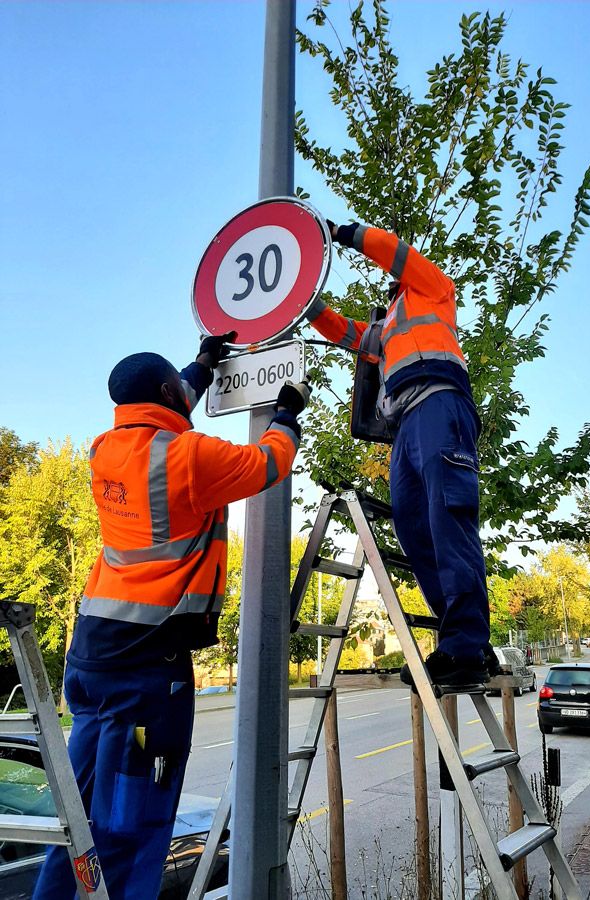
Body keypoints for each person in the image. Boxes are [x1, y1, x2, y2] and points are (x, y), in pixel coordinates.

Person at [33, 335, 310, 900]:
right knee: (128, 829)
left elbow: (170, 398)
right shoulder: (189, 456)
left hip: (90, 657)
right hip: (146, 668)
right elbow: (268, 462)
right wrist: (287, 412)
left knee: (78, 820)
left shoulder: (103, 448)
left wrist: (204, 365)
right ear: (165, 394)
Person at [308, 220, 491, 690]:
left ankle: (467, 646)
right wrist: (308, 306)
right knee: (415, 529)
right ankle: (460, 642)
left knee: (448, 517)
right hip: (405, 426)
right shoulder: (387, 326)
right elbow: (347, 335)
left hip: (440, 403)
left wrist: (343, 233)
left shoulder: (432, 288)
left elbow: (394, 252)